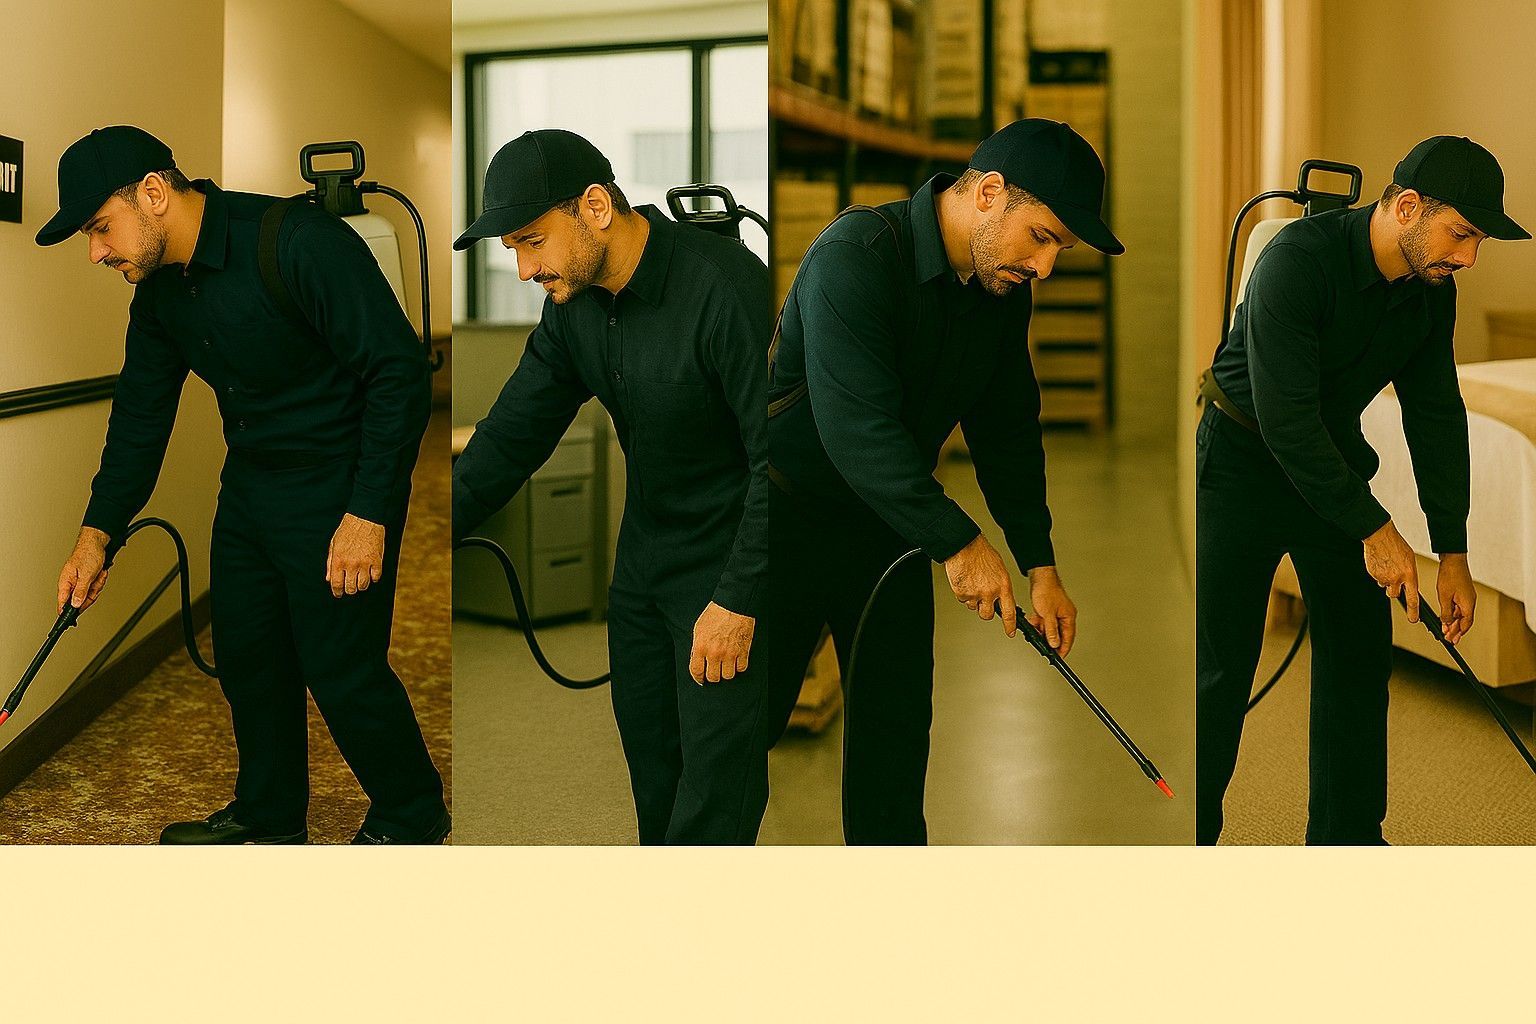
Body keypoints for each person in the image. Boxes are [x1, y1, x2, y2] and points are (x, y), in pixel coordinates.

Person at [39, 125, 448, 844]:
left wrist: (369, 512)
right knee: (249, 655)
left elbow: (398, 373)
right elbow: (139, 417)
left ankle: (411, 814)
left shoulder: (297, 242)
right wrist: (96, 535)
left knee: (340, 666)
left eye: (101, 228)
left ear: (156, 194)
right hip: (252, 486)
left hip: (340, 485)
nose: (97, 251)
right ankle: (270, 814)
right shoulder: (161, 294)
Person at [759, 119, 1122, 844]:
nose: (1045, 267)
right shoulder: (854, 257)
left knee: (893, 752)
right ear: (989, 194)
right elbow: (856, 433)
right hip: (782, 526)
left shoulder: (1000, 287)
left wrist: (1039, 565)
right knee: (736, 746)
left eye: (1059, 250)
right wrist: (959, 543)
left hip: (889, 532)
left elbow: (1008, 428)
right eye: (1043, 237)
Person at [1196, 135, 1528, 845]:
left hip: (1333, 463)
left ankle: (1346, 844)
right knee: (1221, 668)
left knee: (1356, 653)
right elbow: (1285, 420)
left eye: (1477, 241)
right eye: (1461, 233)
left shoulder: (1431, 290)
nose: (1468, 257)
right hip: (1242, 459)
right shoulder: (1296, 263)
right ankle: (1194, 844)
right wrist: (1378, 530)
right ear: (1407, 208)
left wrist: (1455, 554)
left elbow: (1436, 415)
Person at [452, 129, 771, 844]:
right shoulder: (573, 306)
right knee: (654, 777)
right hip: (642, 570)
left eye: (532, 242)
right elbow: (512, 432)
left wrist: (739, 598)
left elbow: (776, 463)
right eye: (512, 251)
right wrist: (415, 523)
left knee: (715, 794)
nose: (525, 268)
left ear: (594, 206)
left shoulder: (726, 290)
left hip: (728, 565)